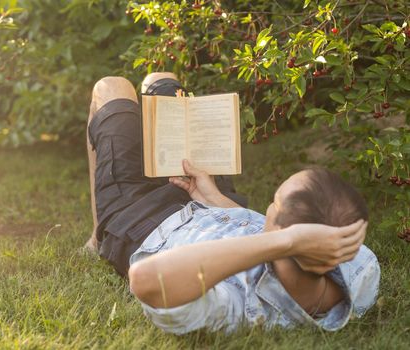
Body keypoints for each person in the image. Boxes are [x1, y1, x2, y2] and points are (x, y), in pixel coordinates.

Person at [85, 73, 380, 334]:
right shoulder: (359, 264)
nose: (267, 208)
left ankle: (98, 235)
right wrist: (211, 197)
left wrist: (287, 241)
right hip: (205, 198)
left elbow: (146, 279)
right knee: (162, 82)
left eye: (274, 204)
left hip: (143, 221)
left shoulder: (242, 304)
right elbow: (263, 231)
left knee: (111, 88)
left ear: (283, 238)